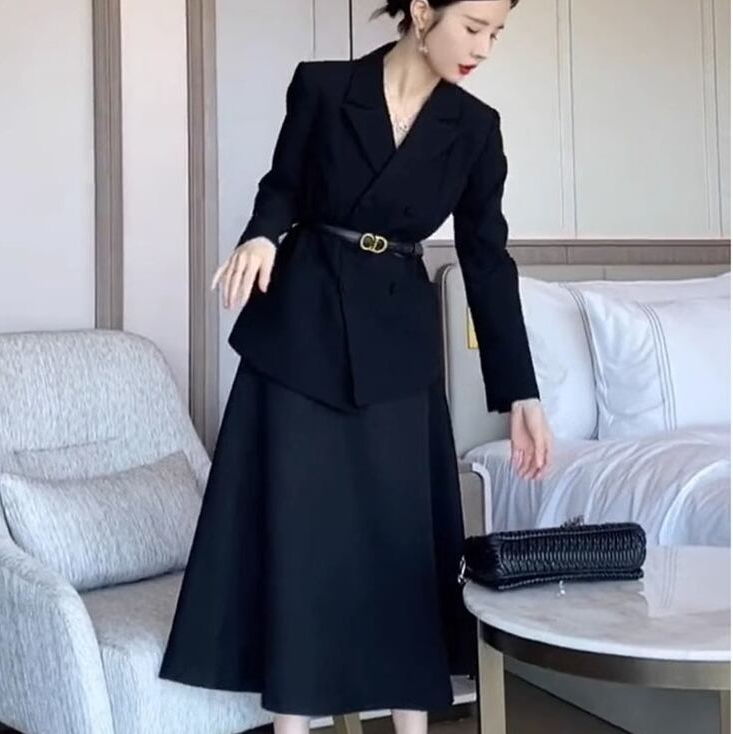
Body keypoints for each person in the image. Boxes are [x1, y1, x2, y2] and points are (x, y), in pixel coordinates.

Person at [158, 1, 553, 733]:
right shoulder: (322, 86)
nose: (485, 48)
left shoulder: (475, 128)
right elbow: (283, 185)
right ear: (423, 10)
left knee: (400, 546)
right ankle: (293, 724)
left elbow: (487, 262)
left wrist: (520, 392)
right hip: (300, 330)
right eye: (474, 27)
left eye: (497, 33)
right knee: (300, 536)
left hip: (396, 342)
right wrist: (263, 236)